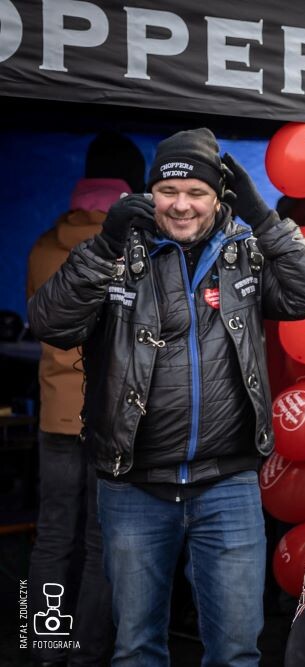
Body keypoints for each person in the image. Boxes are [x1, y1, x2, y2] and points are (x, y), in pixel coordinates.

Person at [27, 128, 305, 666]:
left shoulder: (243, 252)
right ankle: (44, 647)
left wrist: (264, 216)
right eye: (170, 191)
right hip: (134, 484)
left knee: (237, 651)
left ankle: (47, 646)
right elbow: (51, 322)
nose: (182, 204)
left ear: (219, 197)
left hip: (228, 484)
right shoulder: (118, 252)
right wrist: (103, 245)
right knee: (137, 648)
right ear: (149, 194)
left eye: (197, 191)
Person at [26, 131, 144, 667]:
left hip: (54, 415)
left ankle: (45, 647)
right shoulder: (132, 249)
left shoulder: (46, 244)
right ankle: (89, 654)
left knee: (52, 536)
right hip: (108, 420)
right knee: (102, 545)